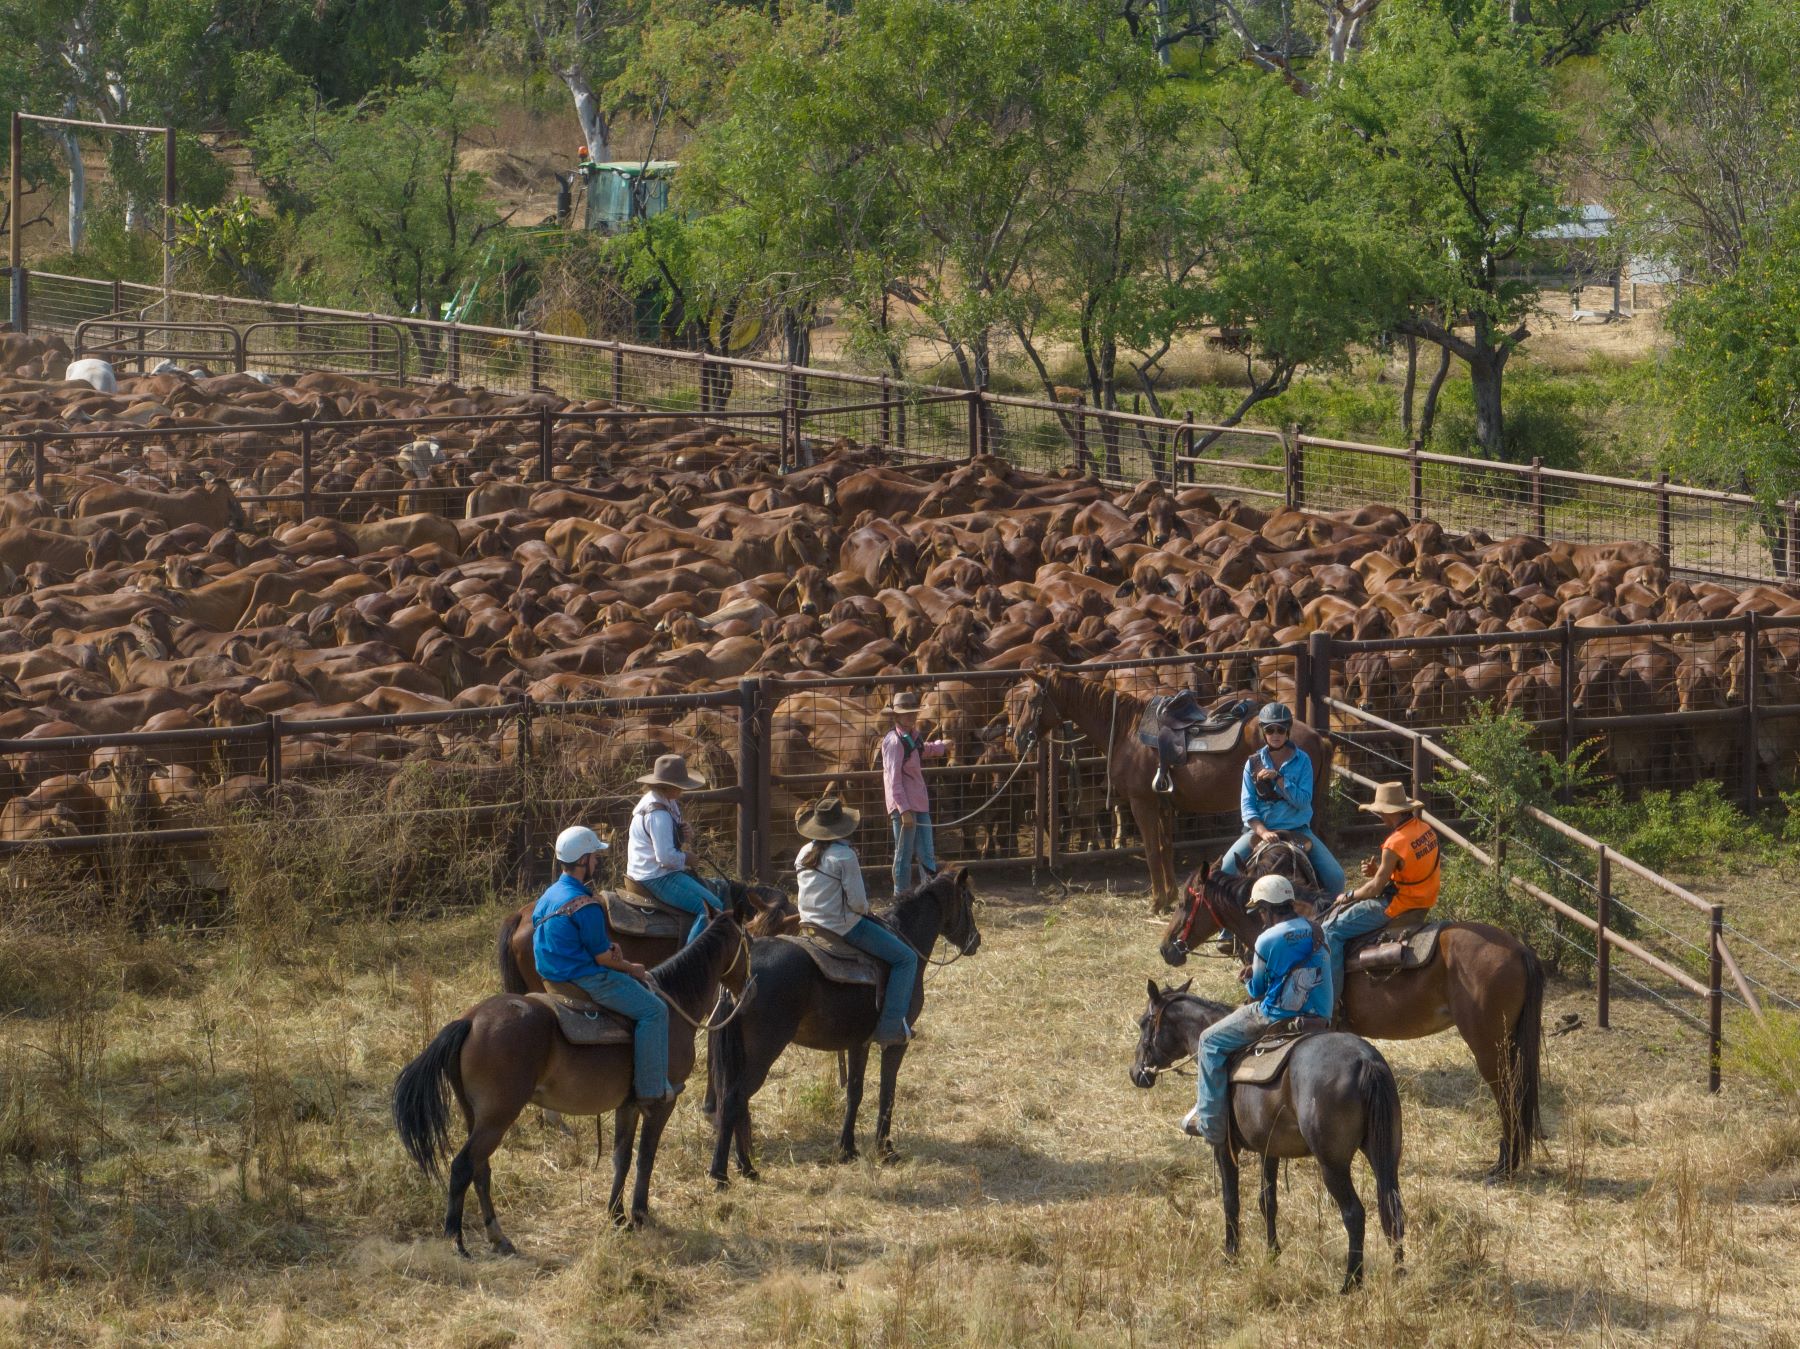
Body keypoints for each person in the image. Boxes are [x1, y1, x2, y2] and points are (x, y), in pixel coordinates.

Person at [531, 824, 677, 1104]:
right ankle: (651, 1090)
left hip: (552, 975)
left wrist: (605, 950)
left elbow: (569, 938)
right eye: (595, 857)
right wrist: (631, 967)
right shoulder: (586, 904)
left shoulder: (548, 895)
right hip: (585, 978)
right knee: (654, 1011)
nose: (597, 862)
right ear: (583, 860)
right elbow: (601, 959)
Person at [1183, 874, 1332, 1147]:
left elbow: (1257, 991)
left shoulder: (1266, 940)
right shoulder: (1316, 929)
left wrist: (1249, 976)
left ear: (1267, 908)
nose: (1261, 916)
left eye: (1261, 911)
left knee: (1209, 1041)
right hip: (1321, 1015)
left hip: (1277, 1016)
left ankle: (1210, 1125)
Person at [794, 794, 919, 1047]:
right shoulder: (845, 856)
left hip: (808, 925)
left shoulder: (804, 851)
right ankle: (889, 1029)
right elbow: (859, 905)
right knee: (906, 959)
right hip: (842, 928)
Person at [1320, 780, 1442, 1009]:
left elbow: (1375, 889)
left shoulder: (1393, 844)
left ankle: (1331, 1003)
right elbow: (1413, 870)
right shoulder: (1425, 830)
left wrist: (1348, 895)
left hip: (1398, 904)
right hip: (1423, 899)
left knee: (1330, 930)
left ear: (1387, 813)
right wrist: (1379, 872)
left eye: (1379, 813)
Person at [1218, 702, 1346, 896]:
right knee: (1223, 872)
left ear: (1288, 731)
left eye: (1280, 729)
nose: (1275, 734)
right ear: (1263, 732)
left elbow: (1303, 800)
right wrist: (1263, 832)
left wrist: (1278, 779)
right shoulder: (1252, 763)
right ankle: (1230, 925)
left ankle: (1325, 917)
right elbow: (1247, 806)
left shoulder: (1303, 761)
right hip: (1261, 830)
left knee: (1336, 878)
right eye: (1270, 730)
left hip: (1298, 830)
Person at [626, 753, 725, 944]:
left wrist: (683, 831)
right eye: (681, 786)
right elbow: (665, 857)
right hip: (657, 876)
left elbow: (665, 838)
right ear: (670, 786)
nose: (683, 790)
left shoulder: (664, 803)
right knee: (711, 907)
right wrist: (687, 858)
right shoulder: (658, 814)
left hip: (653, 871)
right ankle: (691, 958)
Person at [880, 690, 950, 895]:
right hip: (907, 807)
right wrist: (903, 810)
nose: (911, 716)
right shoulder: (894, 742)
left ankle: (927, 895)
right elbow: (893, 780)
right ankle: (900, 896)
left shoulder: (911, 737)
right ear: (897, 716)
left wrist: (941, 747)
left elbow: (922, 749)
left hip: (918, 804)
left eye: (913, 712)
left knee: (926, 853)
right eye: (907, 712)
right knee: (904, 854)